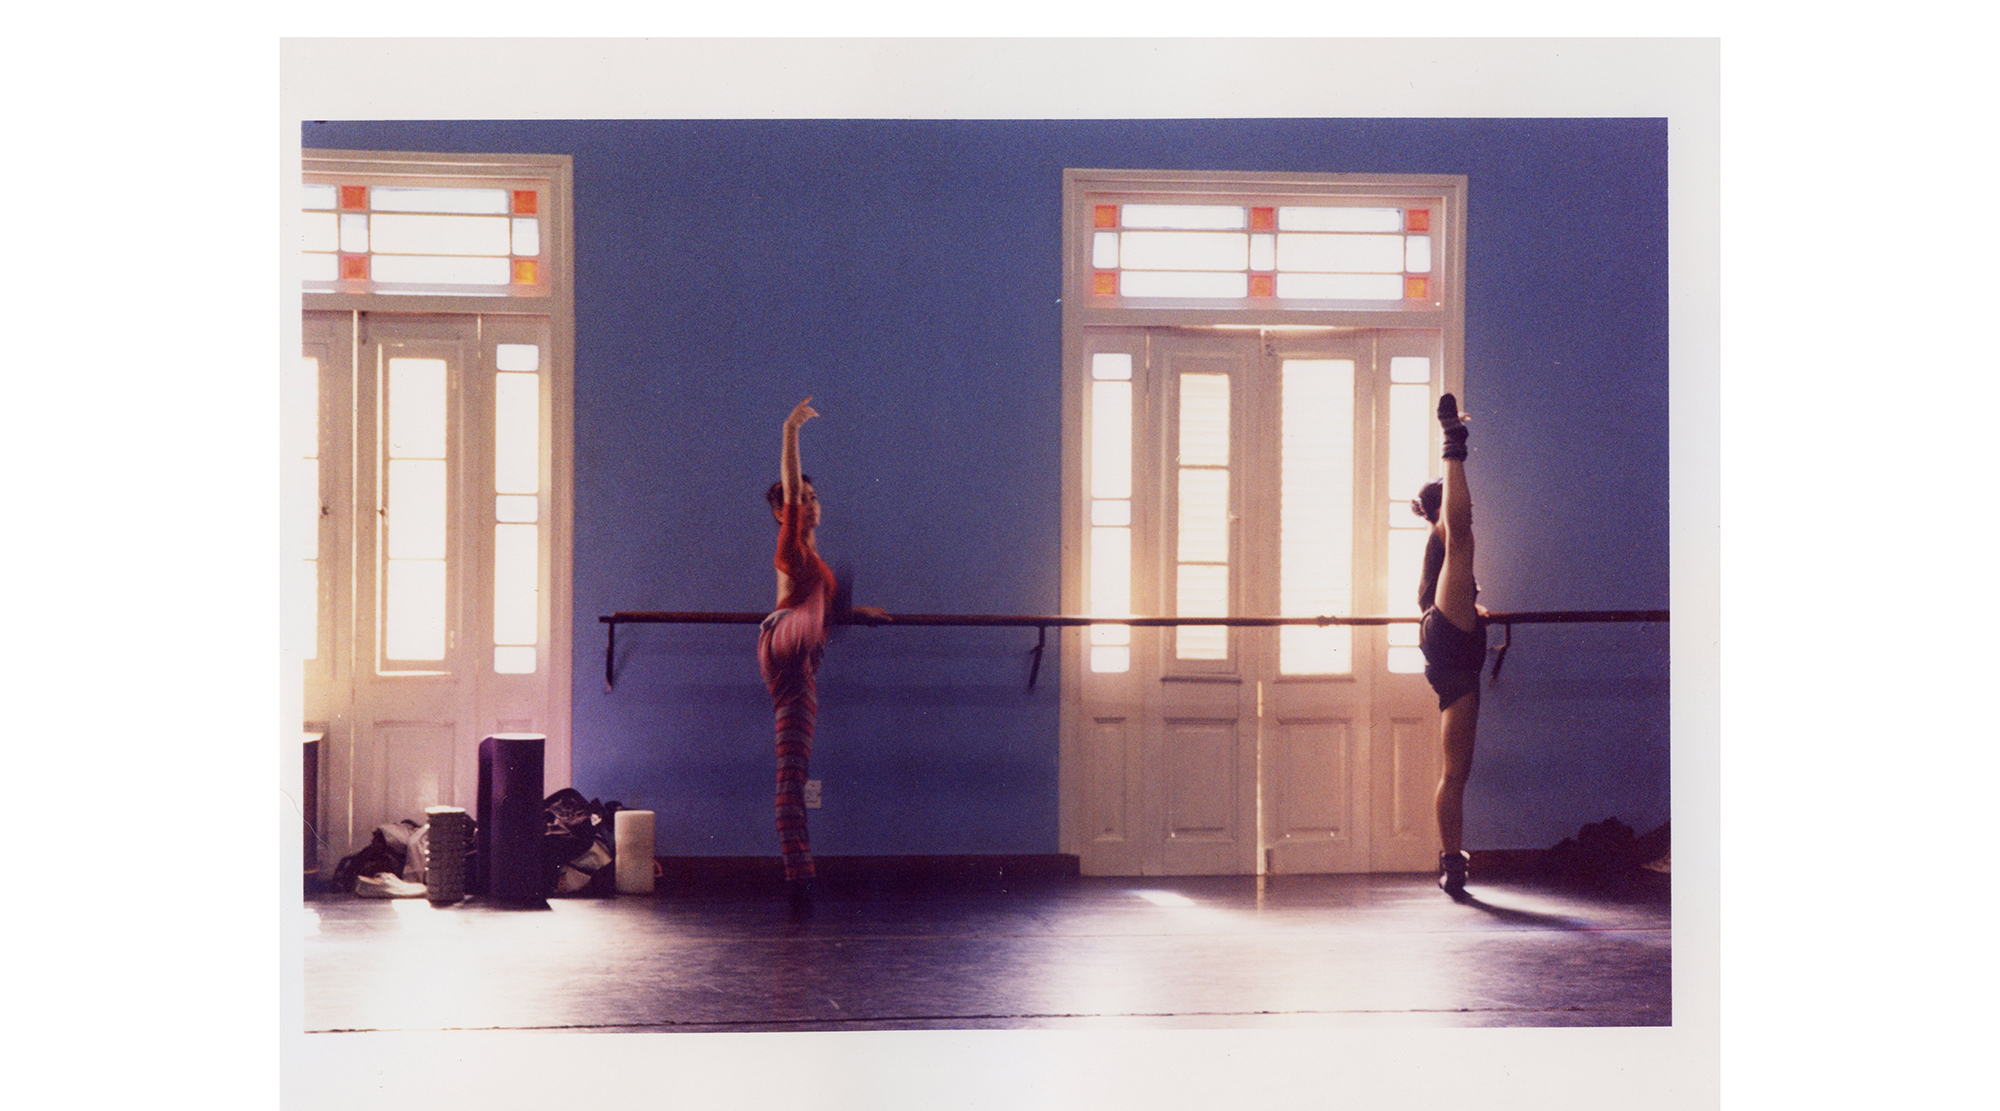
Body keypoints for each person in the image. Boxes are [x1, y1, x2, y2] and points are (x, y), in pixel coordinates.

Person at [757, 398, 888, 912]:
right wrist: (790, 429)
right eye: (800, 498)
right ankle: (801, 627)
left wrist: (859, 615)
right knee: (811, 611)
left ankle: (799, 876)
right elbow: (788, 485)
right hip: (783, 639)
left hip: (801, 668)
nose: (809, 503)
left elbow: (826, 615)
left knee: (792, 776)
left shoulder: (820, 567)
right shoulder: (791, 549)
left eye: (813, 497)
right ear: (783, 511)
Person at [1412, 393, 1490, 899]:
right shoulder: (1446, 532)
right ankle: (1452, 444)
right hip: (1449, 640)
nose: (1470, 509)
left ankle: (1451, 862)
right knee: (1464, 539)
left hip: (1452, 653)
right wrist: (1452, 450)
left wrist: (1475, 610)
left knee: (1456, 772)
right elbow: (1457, 526)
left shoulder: (1442, 561)